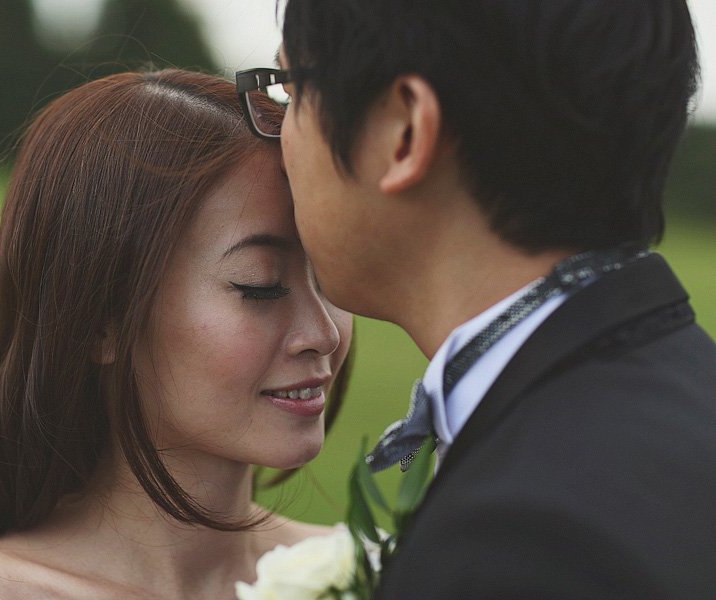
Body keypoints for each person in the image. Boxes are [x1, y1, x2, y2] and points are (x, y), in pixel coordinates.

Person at [237, 0, 716, 597]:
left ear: (404, 131)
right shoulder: (676, 395)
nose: (282, 147)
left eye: (293, 91)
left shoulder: (523, 543)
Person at [0, 69, 352, 600]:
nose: (324, 332)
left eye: (329, 274)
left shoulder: (374, 572)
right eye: (260, 285)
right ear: (101, 320)